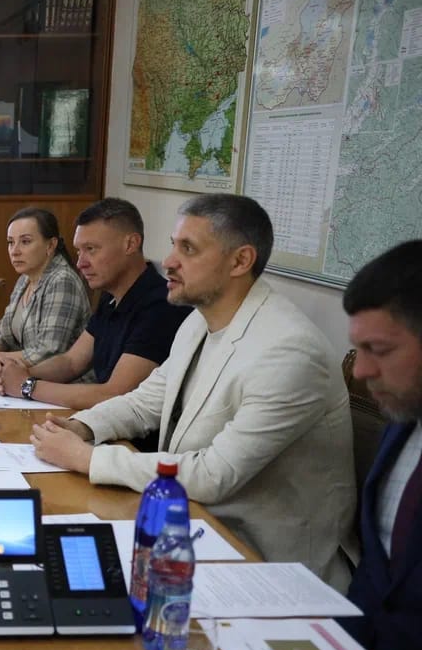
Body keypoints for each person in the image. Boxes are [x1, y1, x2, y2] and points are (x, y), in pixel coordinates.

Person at [29, 194, 356, 587]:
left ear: (240, 261)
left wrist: (88, 458)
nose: (168, 261)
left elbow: (214, 475)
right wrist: (81, 427)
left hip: (267, 566)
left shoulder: (290, 352)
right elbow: (145, 402)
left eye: (188, 249)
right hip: (193, 529)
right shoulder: (199, 321)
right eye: (173, 244)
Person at [0, 199, 190, 446]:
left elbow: (114, 393)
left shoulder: (160, 306)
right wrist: (15, 371)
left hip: (131, 447)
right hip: (100, 431)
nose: (80, 262)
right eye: (79, 251)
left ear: (131, 244)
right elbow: (71, 361)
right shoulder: (112, 294)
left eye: (91, 249)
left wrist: (26, 386)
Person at [339, 240, 422, 650]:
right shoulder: (402, 418)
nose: (361, 371)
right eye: (359, 349)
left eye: (380, 350)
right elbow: (378, 574)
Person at [0, 207, 90, 367]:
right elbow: (3, 336)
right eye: (10, 242)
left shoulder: (62, 281)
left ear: (50, 245)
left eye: (25, 242)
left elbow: (47, 355)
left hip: (61, 380)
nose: (14, 251)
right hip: (24, 376)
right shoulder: (24, 279)